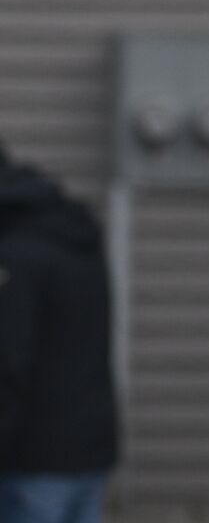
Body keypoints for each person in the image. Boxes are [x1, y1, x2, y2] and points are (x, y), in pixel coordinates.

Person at [0, 140, 118, 523]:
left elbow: (9, 363)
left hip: (35, 462)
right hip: (90, 449)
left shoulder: (16, 255)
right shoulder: (74, 233)